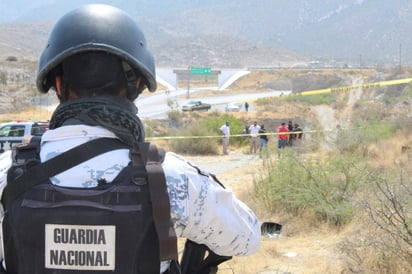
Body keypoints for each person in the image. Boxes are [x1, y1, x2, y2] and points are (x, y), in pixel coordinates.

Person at [0, 4, 261, 274]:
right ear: (136, 84)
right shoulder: (171, 179)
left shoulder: (8, 173)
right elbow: (247, 239)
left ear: (57, 84)